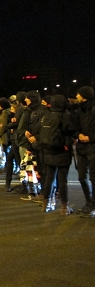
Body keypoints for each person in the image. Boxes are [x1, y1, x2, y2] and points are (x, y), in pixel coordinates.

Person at [36, 95, 74, 215]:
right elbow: (70, 133)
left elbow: (38, 130)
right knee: (62, 180)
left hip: (48, 150)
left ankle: (45, 204)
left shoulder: (47, 115)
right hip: (62, 151)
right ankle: (64, 207)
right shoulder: (66, 115)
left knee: (49, 178)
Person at [72, 86, 95, 216]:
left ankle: (92, 205)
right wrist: (78, 135)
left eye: (78, 94)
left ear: (84, 95)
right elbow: (74, 127)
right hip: (81, 148)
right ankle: (88, 201)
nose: (76, 96)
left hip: (93, 147)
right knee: (81, 177)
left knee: (93, 178)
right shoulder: (79, 110)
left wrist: (90, 138)